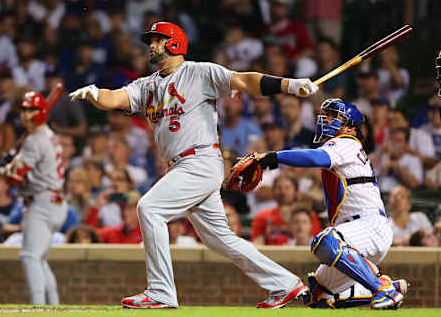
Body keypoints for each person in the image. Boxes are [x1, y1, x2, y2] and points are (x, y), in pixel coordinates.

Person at [69, 21, 318, 309]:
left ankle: (161, 292)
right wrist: (96, 93)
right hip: (180, 166)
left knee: (149, 208)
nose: (151, 45)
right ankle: (286, 285)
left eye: (157, 40)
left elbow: (244, 81)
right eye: (150, 40)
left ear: (174, 42)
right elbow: (116, 98)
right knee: (219, 239)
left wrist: (288, 84)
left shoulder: (200, 72)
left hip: (199, 159)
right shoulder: (148, 84)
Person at [253, 98, 407, 309]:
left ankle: (382, 288)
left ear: (351, 127)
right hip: (354, 236)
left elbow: (317, 158)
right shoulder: (343, 146)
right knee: (317, 296)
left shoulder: (347, 142)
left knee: (324, 241)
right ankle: (389, 286)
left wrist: (273, 157)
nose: (327, 120)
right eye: (326, 116)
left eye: (335, 117)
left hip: (369, 226)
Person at [0, 91, 67, 305]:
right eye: (24, 110)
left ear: (41, 111)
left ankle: (38, 307)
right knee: (39, 258)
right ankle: (52, 306)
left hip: (42, 202)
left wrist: (5, 170)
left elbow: (16, 178)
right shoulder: (46, 135)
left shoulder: (35, 140)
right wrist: (11, 164)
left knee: (29, 256)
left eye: (31, 109)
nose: (26, 115)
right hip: (53, 201)